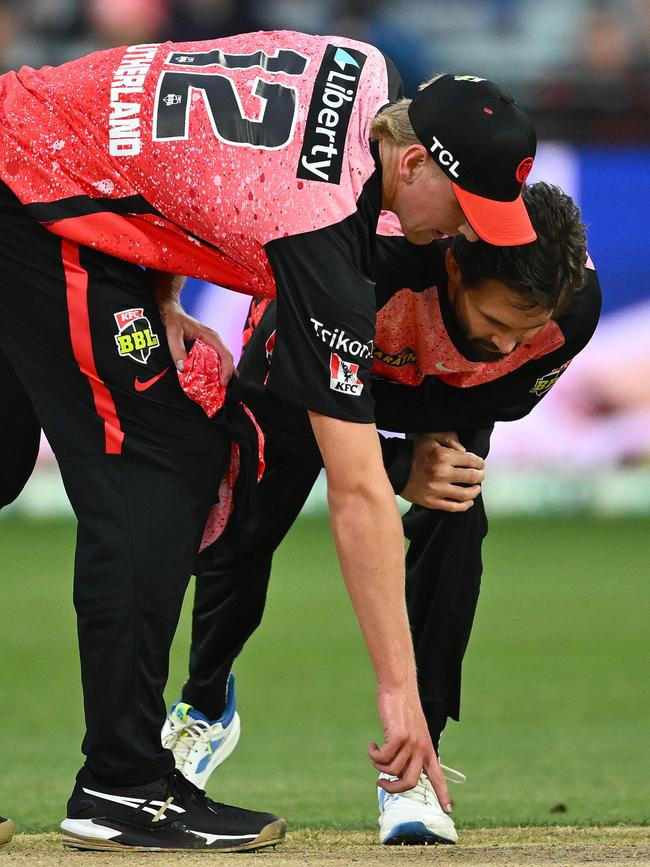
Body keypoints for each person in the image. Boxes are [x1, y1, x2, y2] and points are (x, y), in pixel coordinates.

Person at [0, 30, 537, 851]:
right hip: (31, 196)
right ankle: (120, 785)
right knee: (163, 460)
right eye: (468, 210)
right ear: (418, 165)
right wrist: (402, 698)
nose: (467, 233)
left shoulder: (361, 66)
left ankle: (124, 778)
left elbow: (167, 112)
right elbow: (358, 489)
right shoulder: (324, 230)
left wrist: (158, 283)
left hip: (42, 164)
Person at [161, 182, 601, 845]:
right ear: (455, 265)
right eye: (499, 320)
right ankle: (205, 700)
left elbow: (502, 393)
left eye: (527, 329)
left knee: (455, 514)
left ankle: (416, 762)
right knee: (244, 521)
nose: (511, 343)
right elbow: (274, 398)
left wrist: (428, 447)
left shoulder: (573, 313)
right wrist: (394, 467)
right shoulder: (364, 263)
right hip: (311, 370)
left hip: (443, 394)